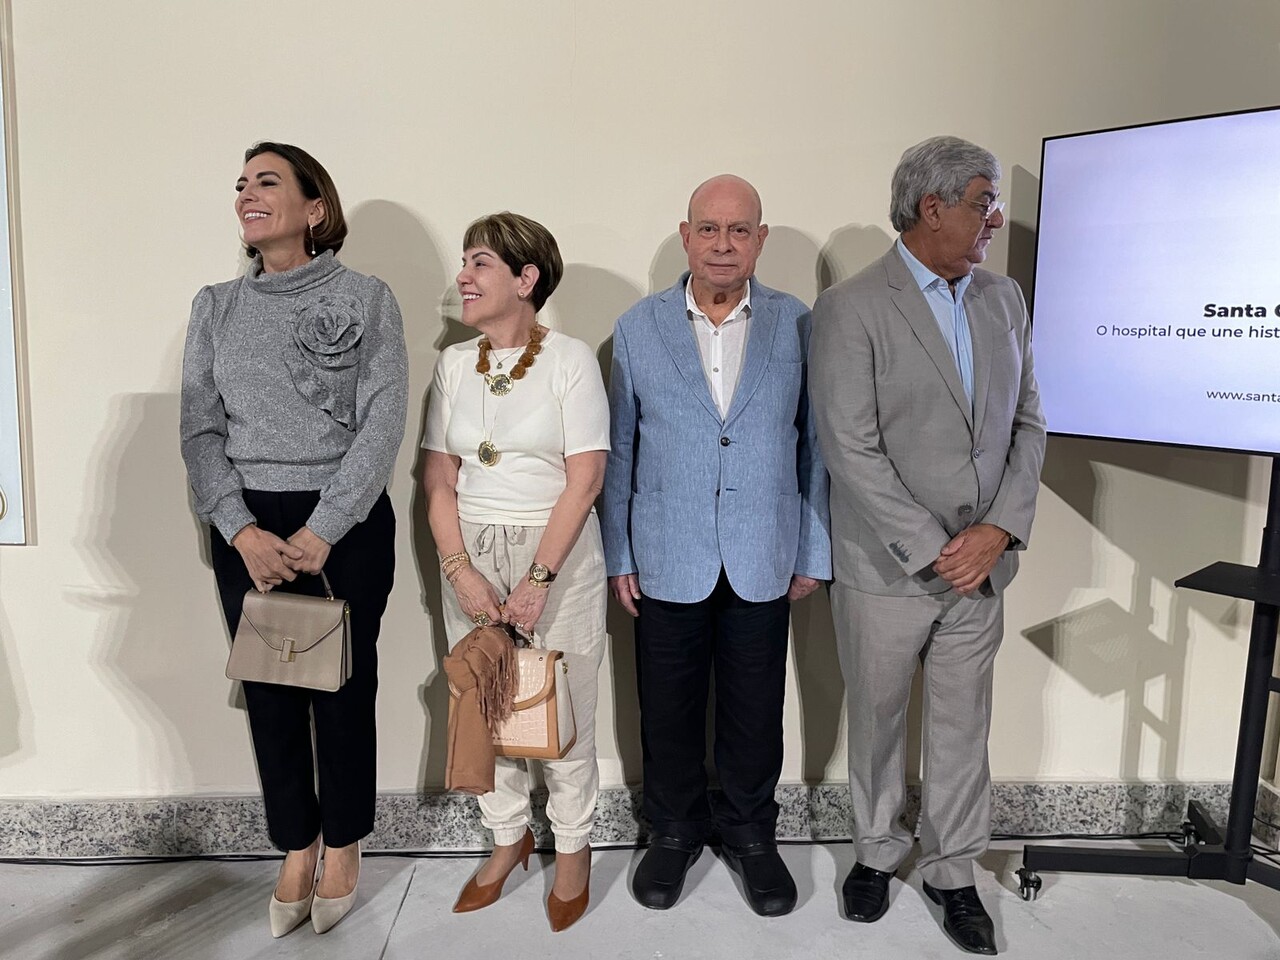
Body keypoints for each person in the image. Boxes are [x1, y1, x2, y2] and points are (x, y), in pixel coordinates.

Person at [809, 136, 1045, 955]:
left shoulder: (1004, 299)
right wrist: (938, 547)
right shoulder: (851, 307)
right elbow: (849, 446)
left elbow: (1028, 422)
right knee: (876, 721)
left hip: (983, 568)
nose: (995, 218)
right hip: (886, 566)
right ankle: (876, 853)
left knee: (961, 726)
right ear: (931, 208)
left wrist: (997, 531)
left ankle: (952, 870)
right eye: (984, 202)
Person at [180, 142, 408, 937]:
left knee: (343, 691)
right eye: (241, 183)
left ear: (315, 208)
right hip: (246, 525)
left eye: (267, 181)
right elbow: (200, 430)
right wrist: (239, 527)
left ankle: (343, 842)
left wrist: (324, 527)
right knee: (270, 696)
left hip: (343, 522)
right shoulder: (215, 306)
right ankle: (296, 845)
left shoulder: (368, 298)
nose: (247, 193)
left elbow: (383, 422)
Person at [600, 175, 831, 917]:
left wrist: (813, 550)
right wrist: (619, 554)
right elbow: (620, 450)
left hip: (766, 550)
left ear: (760, 239)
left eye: (738, 230)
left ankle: (750, 834)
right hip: (666, 551)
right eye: (709, 228)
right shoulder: (638, 327)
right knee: (667, 707)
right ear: (686, 235)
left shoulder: (799, 324)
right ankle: (673, 831)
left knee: (755, 709)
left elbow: (815, 447)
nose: (723, 244)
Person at [422, 211, 609, 932]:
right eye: (465, 262)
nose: (463, 277)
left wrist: (538, 580)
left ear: (526, 278)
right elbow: (439, 480)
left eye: (480, 263)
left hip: (556, 552)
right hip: (468, 550)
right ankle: (507, 837)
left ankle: (573, 848)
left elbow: (585, 479)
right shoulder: (453, 364)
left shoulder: (569, 360)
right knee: (483, 703)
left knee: (563, 710)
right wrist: (459, 570)